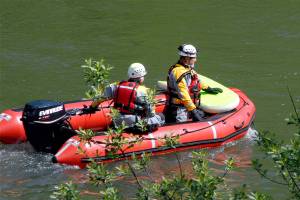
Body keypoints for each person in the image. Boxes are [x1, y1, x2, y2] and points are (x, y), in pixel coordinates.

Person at [85, 63, 164, 132]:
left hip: (117, 121)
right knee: (160, 116)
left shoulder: (116, 85)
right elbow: (151, 113)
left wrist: (92, 107)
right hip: (134, 123)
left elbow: (100, 98)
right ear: (140, 78)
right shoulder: (145, 91)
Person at [166, 44, 223, 122]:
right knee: (183, 123)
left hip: (187, 106)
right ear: (186, 58)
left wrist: (208, 88)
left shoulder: (187, 68)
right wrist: (193, 111)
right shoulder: (178, 72)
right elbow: (183, 94)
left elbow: (196, 80)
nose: (195, 60)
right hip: (179, 109)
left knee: (203, 114)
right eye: (194, 58)